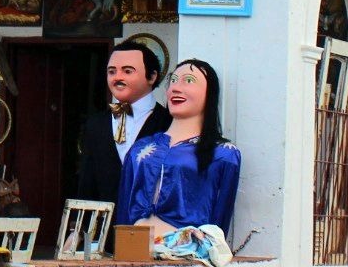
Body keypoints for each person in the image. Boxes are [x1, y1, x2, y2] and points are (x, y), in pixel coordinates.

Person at [117, 59, 241, 234]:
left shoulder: (223, 153)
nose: (176, 87)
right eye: (173, 81)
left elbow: (221, 216)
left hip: (186, 252)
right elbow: (124, 205)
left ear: (209, 93)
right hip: (135, 248)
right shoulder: (141, 147)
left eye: (188, 81)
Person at [75, 41, 172, 205]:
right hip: (104, 226)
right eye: (112, 71)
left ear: (152, 76)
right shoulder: (96, 124)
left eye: (127, 71)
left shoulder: (169, 122)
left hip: (153, 226)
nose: (118, 77)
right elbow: (87, 183)